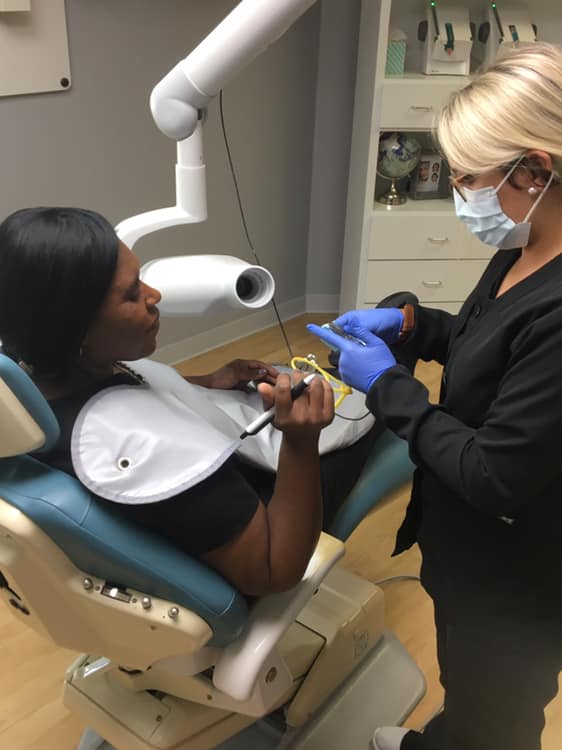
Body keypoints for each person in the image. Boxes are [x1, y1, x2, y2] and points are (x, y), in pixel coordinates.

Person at [309, 43, 562, 750]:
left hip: (518, 572)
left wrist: (386, 385)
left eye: (467, 179)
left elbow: (496, 475)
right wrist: (417, 327)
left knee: (499, 713)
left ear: (535, 170)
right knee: (474, 692)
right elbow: (497, 348)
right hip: (473, 550)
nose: (460, 195)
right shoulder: (529, 240)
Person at [0, 206, 379, 598]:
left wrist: (206, 383)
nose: (155, 295)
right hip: (269, 517)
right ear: (75, 330)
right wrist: (301, 441)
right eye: (132, 294)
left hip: (221, 484)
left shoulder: (35, 377)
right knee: (375, 399)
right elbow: (273, 571)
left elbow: (130, 388)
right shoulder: (144, 452)